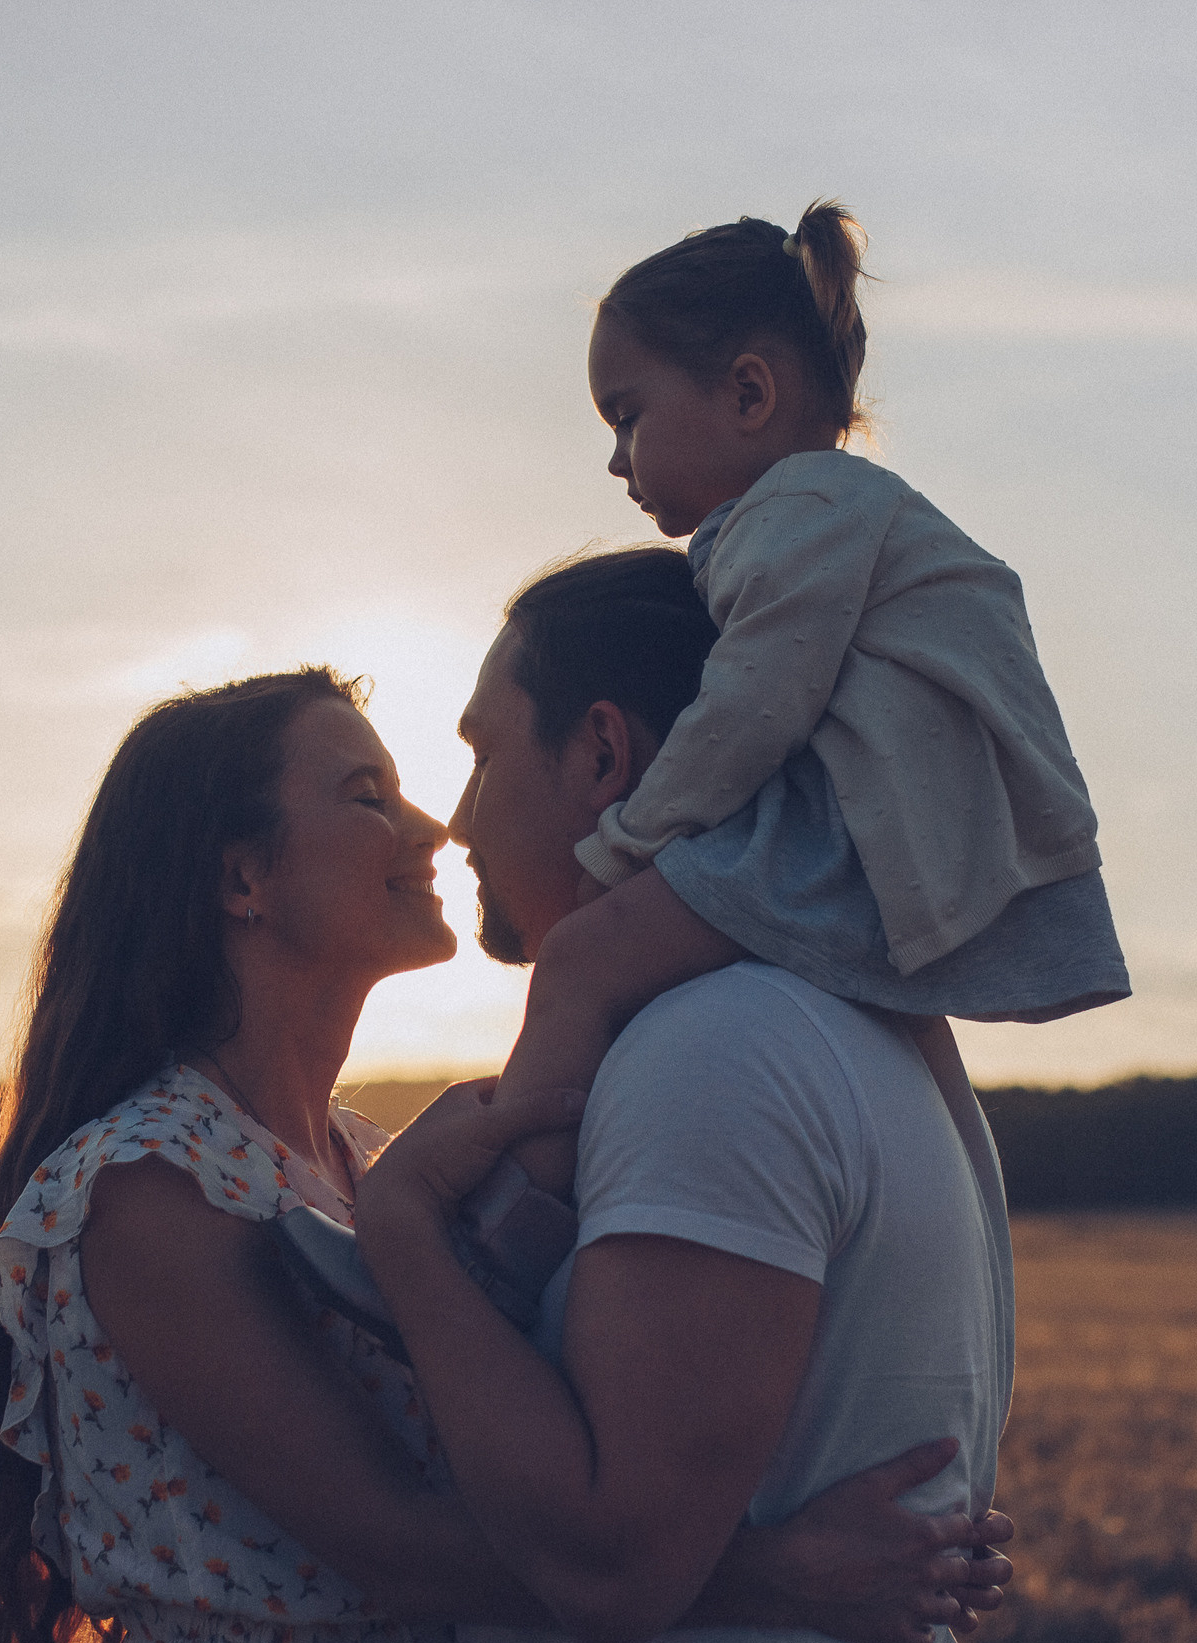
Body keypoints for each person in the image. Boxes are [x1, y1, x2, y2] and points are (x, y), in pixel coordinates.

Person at [0, 666, 1015, 1643]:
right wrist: (786, 1574)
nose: (432, 826)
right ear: (241, 880)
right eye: (366, 796)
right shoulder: (148, 1187)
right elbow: (397, 1545)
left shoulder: (362, 1160)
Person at [277, 201, 1126, 1332]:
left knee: (580, 963)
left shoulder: (805, 511)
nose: (615, 459)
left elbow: (747, 713)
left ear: (746, 393)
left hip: (847, 843)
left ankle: (475, 1253)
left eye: (627, 417)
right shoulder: (813, 519)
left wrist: (627, 849)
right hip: (863, 831)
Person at [355, 548, 1024, 1643]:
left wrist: (402, 1229)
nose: (457, 821)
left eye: (480, 752)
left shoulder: (720, 1050)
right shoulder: (853, 1032)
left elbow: (610, 1572)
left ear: (604, 752)